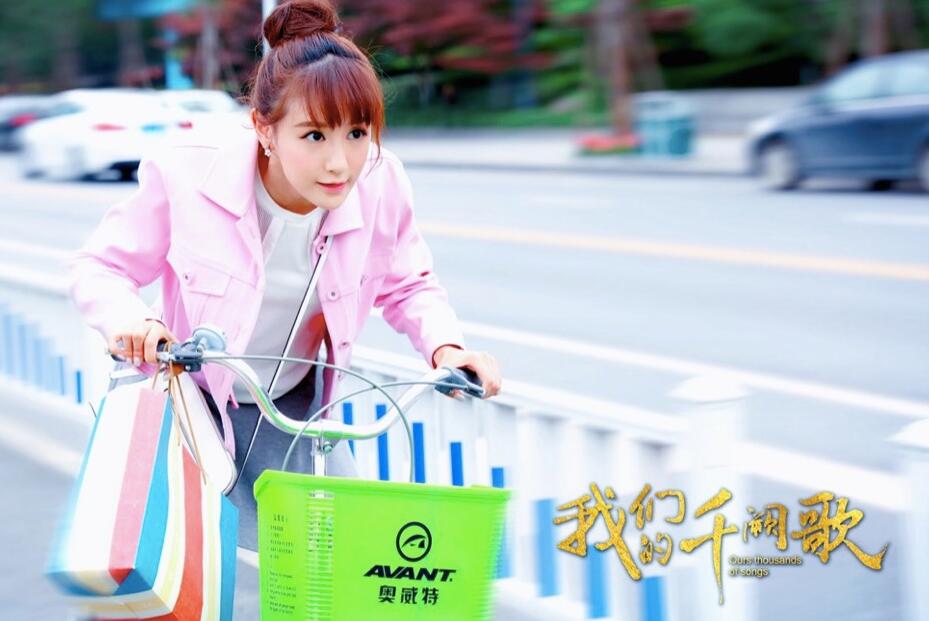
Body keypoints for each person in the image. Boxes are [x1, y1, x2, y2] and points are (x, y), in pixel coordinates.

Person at [68, 0, 502, 551]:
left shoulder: (381, 182)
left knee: (347, 557)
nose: (340, 163)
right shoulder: (188, 170)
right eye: (315, 136)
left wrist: (446, 348)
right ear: (265, 129)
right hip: (190, 402)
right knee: (187, 569)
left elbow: (409, 283)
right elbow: (100, 267)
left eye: (357, 133)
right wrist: (132, 321)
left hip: (293, 408)